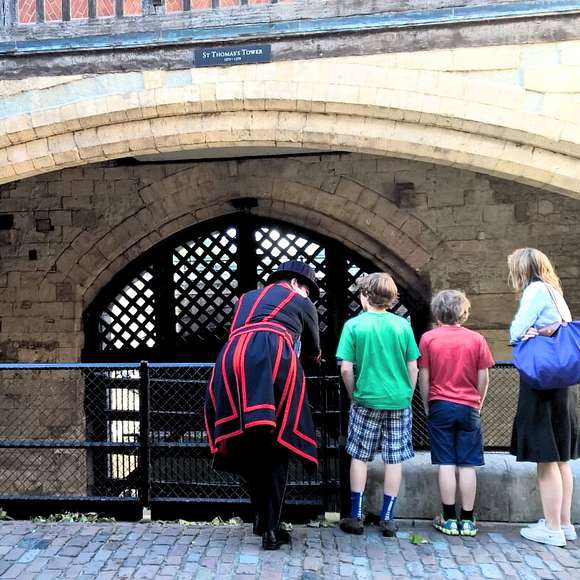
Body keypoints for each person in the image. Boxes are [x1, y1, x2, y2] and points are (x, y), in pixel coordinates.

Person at [204, 260, 322, 550]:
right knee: (277, 444)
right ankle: (271, 528)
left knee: (248, 443)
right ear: (296, 283)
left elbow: (239, 331)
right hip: (273, 358)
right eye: (308, 288)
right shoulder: (300, 301)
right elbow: (314, 350)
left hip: (230, 361)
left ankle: (260, 516)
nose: (307, 294)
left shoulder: (244, 299)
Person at [336, 272, 420, 537]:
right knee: (393, 458)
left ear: (364, 296)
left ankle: (357, 515)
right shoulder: (402, 326)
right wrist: (407, 393)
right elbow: (413, 366)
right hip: (398, 399)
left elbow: (346, 369)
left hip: (366, 398)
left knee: (359, 456)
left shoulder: (354, 326)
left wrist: (353, 395)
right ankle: (388, 518)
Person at [508, 247, 579, 547]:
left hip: (542, 385)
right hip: (562, 386)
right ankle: (564, 523)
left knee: (546, 459)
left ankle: (551, 528)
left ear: (522, 270)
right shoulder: (554, 292)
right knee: (561, 458)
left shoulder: (535, 291)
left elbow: (516, 329)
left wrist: (523, 334)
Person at [418, 290, 494, 537]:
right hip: (468, 404)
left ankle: (449, 518)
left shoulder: (429, 339)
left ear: (437, 313)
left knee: (446, 462)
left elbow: (424, 375)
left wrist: (427, 403)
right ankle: (468, 519)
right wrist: (478, 402)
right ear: (464, 311)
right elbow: (484, 375)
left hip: (440, 403)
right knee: (468, 463)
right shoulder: (477, 339)